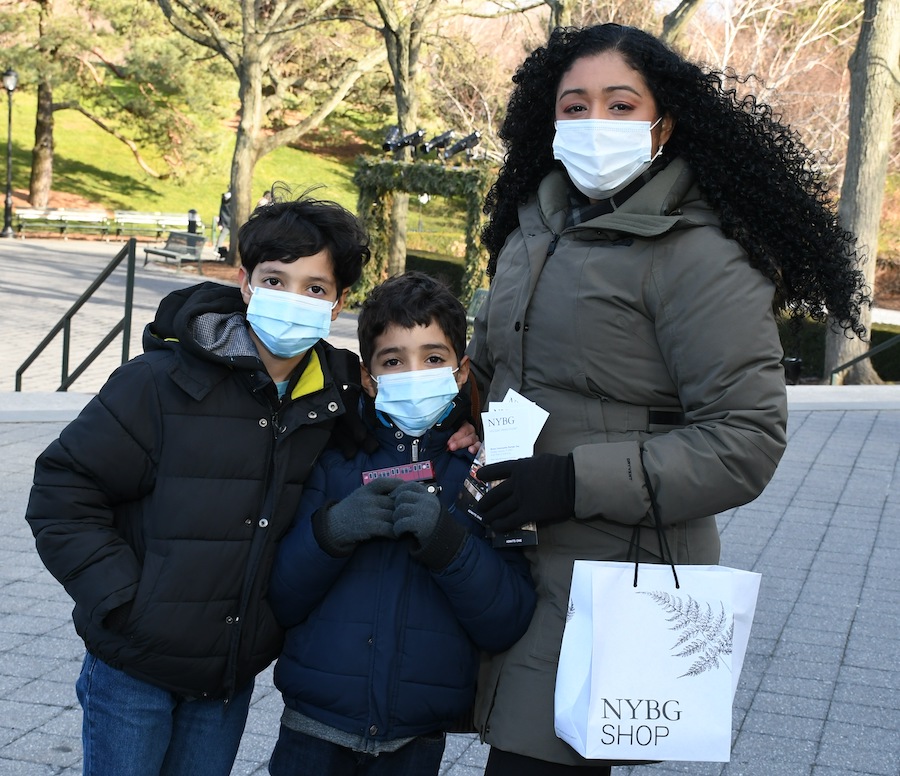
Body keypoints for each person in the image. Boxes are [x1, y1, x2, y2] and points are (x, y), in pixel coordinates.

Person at [466, 23, 869, 775]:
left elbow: (745, 440)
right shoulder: (528, 227)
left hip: (613, 577)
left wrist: (572, 479)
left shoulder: (700, 253)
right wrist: (458, 416)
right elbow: (499, 371)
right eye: (575, 106)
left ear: (664, 124)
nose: (595, 125)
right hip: (511, 555)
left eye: (621, 106)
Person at [25, 195, 373, 776]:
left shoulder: (333, 401)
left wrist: (464, 424)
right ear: (244, 282)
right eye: (275, 279)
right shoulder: (159, 384)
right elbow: (64, 490)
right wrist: (120, 599)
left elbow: (403, 433)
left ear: (338, 302)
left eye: (315, 288)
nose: (293, 299)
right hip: (133, 668)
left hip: (227, 676)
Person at [267, 271, 537, 776]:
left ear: (460, 372)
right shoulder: (332, 459)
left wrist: (450, 545)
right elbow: (280, 597)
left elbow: (507, 619)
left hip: (415, 740)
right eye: (393, 361)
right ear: (369, 377)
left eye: (433, 358)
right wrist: (332, 531)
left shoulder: (484, 472)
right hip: (312, 728)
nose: (414, 373)